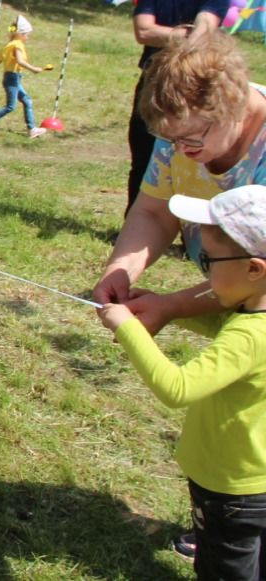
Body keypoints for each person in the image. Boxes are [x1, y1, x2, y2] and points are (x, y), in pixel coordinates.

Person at [93, 32, 266, 562]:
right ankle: (230, 524)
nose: (181, 150)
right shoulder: (181, 131)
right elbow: (153, 210)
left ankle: (237, 525)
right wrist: (122, 268)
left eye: (193, 139)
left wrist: (170, 306)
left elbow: (256, 275)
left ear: (233, 107)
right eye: (170, 139)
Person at [98, 185, 266, 581]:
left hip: (232, 489)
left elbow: (177, 387)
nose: (203, 271)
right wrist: (165, 309)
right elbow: (224, 326)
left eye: (208, 261)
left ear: (254, 269)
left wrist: (126, 328)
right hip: (257, 481)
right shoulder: (250, 317)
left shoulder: (249, 336)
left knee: (225, 569)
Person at [126, 0, 229, 213]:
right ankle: (133, 222)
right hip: (152, 82)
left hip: (194, 86)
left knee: (193, 157)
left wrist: (171, 36)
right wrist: (184, 34)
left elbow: (205, 28)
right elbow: (143, 32)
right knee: (143, 155)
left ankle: (190, 228)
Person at [0, 14, 48, 139]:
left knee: (27, 101)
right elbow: (20, 61)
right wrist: (34, 69)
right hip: (13, 78)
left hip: (12, 77)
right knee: (10, 106)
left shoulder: (8, 45)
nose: (27, 37)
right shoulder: (17, 45)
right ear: (20, 34)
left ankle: (32, 129)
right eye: (26, 35)